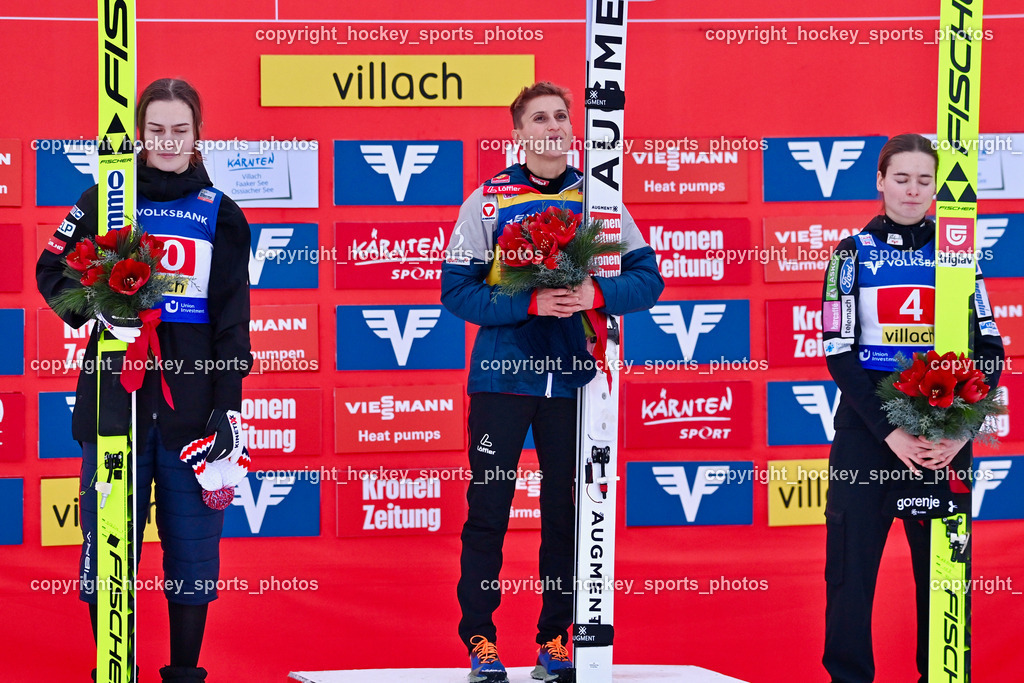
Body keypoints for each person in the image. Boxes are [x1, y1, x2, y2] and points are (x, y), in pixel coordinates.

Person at [441, 81, 664, 683]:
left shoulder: (599, 198)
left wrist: (597, 292)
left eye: (561, 117)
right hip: (501, 380)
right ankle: (480, 639)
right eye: (538, 118)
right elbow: (456, 291)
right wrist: (530, 304)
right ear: (517, 134)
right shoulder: (487, 199)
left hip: (574, 383)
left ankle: (556, 638)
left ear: (573, 129)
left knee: (566, 513)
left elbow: (649, 281)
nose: (552, 126)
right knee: (487, 509)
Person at [37, 78, 252, 683]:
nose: (167, 141)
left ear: (198, 134)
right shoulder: (104, 198)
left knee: (192, 557)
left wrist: (227, 410)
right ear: (139, 133)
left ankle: (184, 674)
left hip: (192, 414)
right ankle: (116, 671)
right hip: (112, 408)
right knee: (106, 559)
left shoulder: (222, 214)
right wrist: (88, 306)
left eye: (179, 130)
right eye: (155, 130)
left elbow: (233, 322)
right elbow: (50, 266)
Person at [820, 133, 1004, 682]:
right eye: (902, 178)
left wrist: (960, 433)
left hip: (944, 440)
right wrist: (890, 434)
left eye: (925, 179)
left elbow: (990, 348)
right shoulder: (849, 254)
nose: (913, 190)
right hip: (868, 437)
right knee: (849, 576)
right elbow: (838, 351)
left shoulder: (956, 255)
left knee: (944, 579)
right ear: (880, 181)